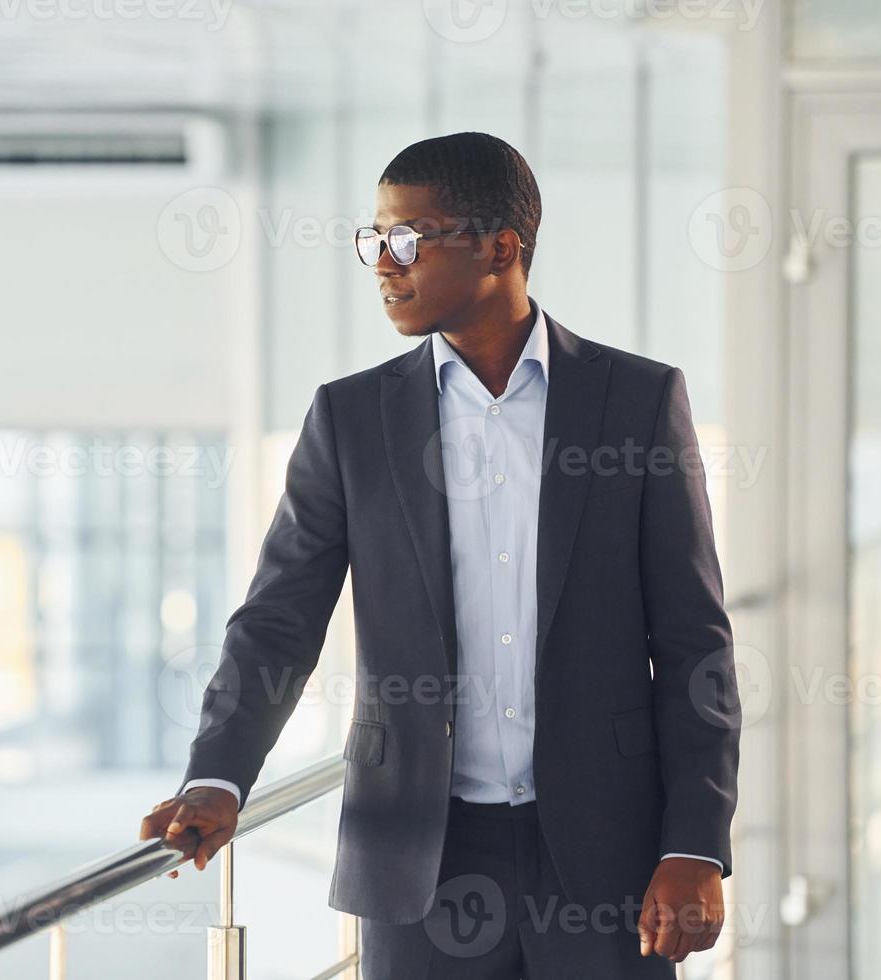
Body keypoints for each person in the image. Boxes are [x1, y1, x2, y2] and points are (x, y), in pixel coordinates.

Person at [139, 131, 740, 979]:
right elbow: (279, 621)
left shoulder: (635, 403)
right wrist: (218, 777)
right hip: (418, 859)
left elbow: (693, 644)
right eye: (374, 240)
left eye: (409, 239)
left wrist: (696, 845)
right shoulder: (352, 420)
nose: (384, 263)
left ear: (501, 247)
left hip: (610, 858)